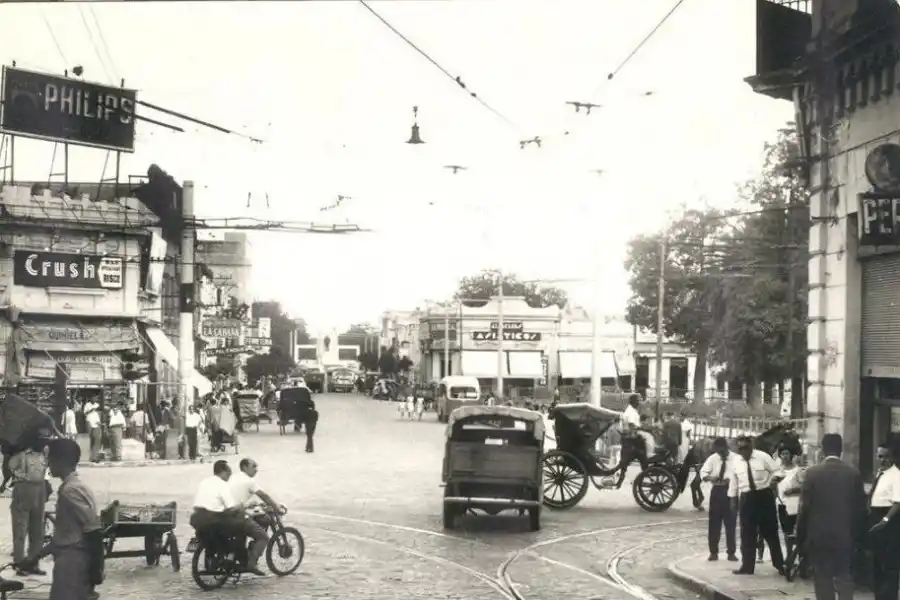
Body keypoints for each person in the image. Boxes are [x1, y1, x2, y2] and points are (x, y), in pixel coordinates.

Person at [19, 438, 102, 600]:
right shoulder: (76, 487)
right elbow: (64, 536)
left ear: (62, 460)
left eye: (51, 459)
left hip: (73, 565)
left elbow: (93, 531)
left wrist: (96, 570)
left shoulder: (71, 491)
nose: (48, 464)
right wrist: (35, 557)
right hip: (71, 561)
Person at [797, 433, 865, 600]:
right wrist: (859, 539)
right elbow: (860, 511)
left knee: (822, 580)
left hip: (819, 537)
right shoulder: (853, 473)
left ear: (822, 450)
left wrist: (800, 538)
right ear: (841, 449)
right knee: (845, 578)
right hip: (845, 537)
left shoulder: (812, 474)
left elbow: (804, 508)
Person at [191, 460, 266, 576]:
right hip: (215, 519)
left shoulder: (204, 482)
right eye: (228, 474)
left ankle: (227, 555)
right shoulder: (222, 485)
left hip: (197, 518)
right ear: (222, 472)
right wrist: (245, 506)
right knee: (244, 525)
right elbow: (232, 508)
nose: (229, 477)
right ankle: (248, 562)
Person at [728, 435, 784, 576]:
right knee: (747, 534)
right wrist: (733, 501)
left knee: (770, 532)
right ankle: (747, 566)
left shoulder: (763, 457)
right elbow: (733, 483)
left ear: (751, 447)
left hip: (764, 496)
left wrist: (774, 480)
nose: (743, 451)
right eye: (740, 448)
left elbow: (779, 471)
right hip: (746, 499)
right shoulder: (735, 462)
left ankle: (780, 564)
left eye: (746, 448)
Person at [9, 440, 49, 575]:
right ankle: (19, 563)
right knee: (21, 528)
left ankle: (33, 563)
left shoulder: (44, 453)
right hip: (23, 488)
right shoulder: (21, 455)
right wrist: (20, 476)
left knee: (37, 530)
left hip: (40, 489)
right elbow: (10, 466)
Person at [866, 441, 900, 600]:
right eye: (880, 456)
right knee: (877, 562)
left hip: (888, 521)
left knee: (889, 564)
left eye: (886, 457)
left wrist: (885, 520)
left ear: (892, 457)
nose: (882, 459)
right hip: (876, 519)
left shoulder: (897, 475)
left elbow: (898, 502)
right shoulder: (880, 473)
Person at [699, 437, 737, 562]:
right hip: (717, 491)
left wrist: (730, 480)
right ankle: (713, 552)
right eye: (717, 451)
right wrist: (710, 478)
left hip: (731, 491)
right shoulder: (713, 458)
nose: (719, 453)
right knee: (714, 523)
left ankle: (731, 552)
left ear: (726, 448)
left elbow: (740, 474)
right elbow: (703, 472)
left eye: (721, 451)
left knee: (730, 524)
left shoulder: (736, 459)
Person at [775, 444, 803, 557]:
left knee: (797, 531)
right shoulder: (777, 471)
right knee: (786, 531)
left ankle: (800, 554)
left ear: (791, 455)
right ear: (780, 456)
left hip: (795, 505)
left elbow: (803, 487)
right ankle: (789, 554)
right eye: (782, 454)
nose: (785, 456)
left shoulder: (798, 470)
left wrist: (793, 490)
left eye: (787, 453)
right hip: (782, 504)